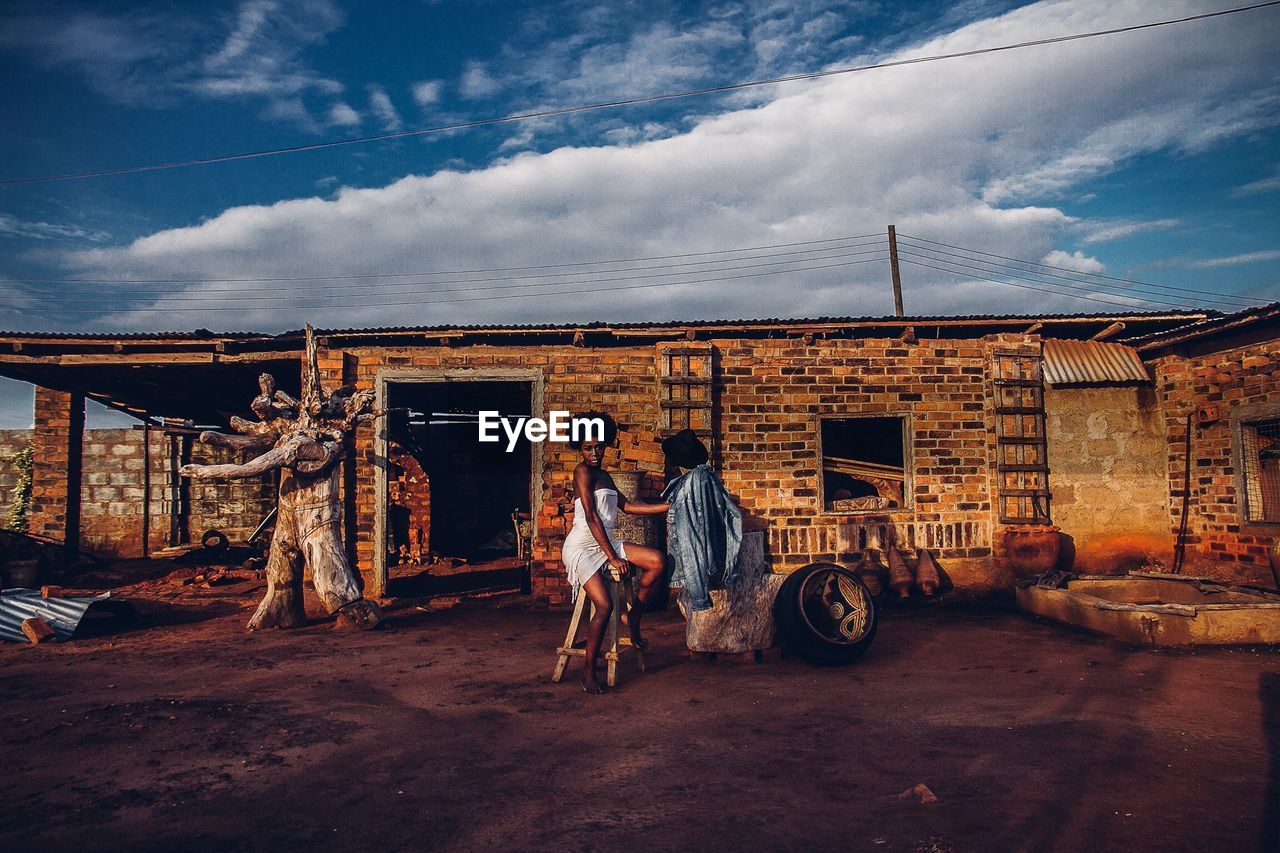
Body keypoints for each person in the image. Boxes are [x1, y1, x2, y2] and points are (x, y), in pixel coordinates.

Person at [561, 412, 668, 694]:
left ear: (606, 444)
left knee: (657, 561)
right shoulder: (581, 472)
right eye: (587, 448)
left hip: (606, 541)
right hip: (583, 545)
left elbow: (629, 507)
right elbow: (592, 516)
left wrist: (669, 507)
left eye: (598, 447)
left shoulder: (605, 475)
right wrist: (613, 557)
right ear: (579, 448)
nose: (594, 453)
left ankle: (632, 617)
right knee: (605, 606)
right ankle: (587, 673)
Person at [661, 429, 743, 612]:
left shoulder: (689, 487)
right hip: (715, 563)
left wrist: (699, 597)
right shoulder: (707, 477)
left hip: (700, 572)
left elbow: (690, 540)